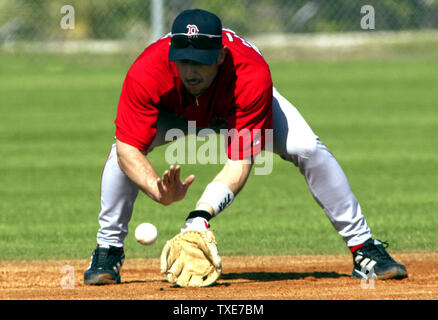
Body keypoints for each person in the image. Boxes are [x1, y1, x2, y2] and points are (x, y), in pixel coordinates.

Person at [84, 9, 407, 286]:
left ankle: (364, 248)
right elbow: (129, 148)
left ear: (221, 56)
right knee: (120, 156)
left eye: (201, 61)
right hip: (175, 112)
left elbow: (240, 161)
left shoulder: (250, 74)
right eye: (183, 60)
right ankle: (107, 251)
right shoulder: (148, 71)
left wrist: (199, 216)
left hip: (235, 107)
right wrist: (158, 190)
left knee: (307, 147)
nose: (191, 71)